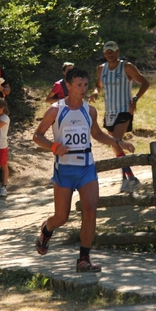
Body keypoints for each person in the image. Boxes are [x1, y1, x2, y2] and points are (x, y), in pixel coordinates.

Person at [33, 67, 135, 272]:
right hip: (64, 170)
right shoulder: (55, 109)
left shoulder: (89, 110)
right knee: (61, 217)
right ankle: (47, 228)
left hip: (86, 168)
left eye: (86, 84)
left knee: (90, 210)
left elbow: (97, 133)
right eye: (79, 85)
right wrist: (54, 147)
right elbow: (37, 136)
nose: (83, 88)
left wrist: (117, 142)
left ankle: (84, 258)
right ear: (68, 86)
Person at [89, 41, 150, 193]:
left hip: (124, 110)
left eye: (112, 51)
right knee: (114, 143)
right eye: (106, 51)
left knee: (116, 141)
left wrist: (135, 99)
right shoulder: (101, 69)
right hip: (109, 112)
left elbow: (145, 83)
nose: (109, 54)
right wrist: (96, 91)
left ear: (117, 52)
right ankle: (127, 178)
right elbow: (98, 85)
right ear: (104, 53)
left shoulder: (126, 67)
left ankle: (130, 178)